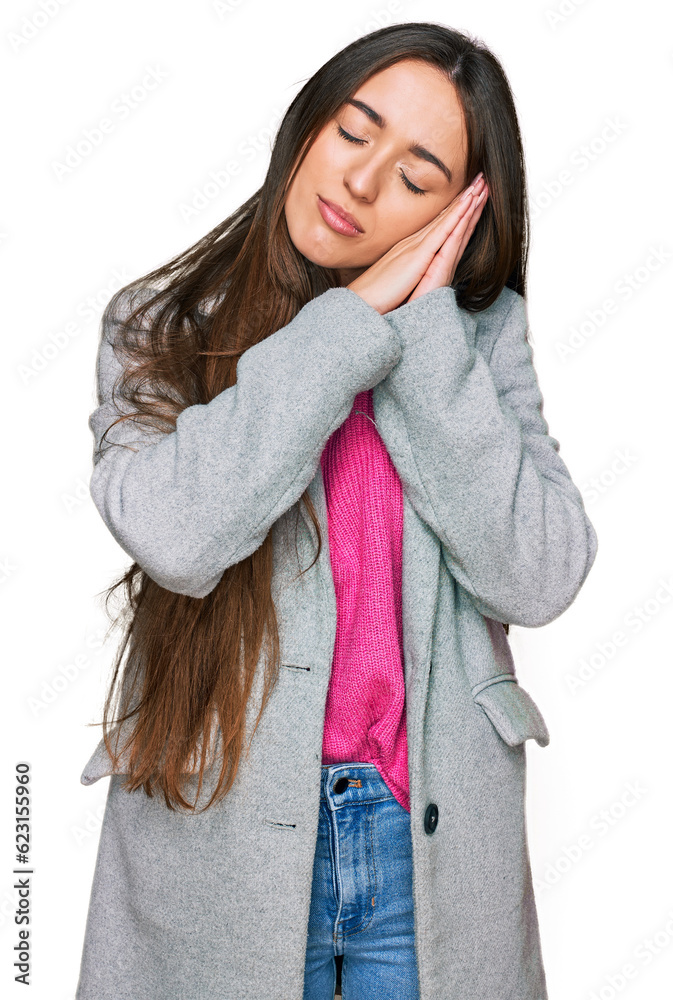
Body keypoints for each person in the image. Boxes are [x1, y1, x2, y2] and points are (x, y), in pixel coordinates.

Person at [75, 21, 598, 1000]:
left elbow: (539, 571)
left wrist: (424, 335)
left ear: (462, 211)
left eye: (415, 174)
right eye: (355, 130)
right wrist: (348, 325)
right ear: (310, 120)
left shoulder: (481, 342)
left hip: (424, 854)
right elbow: (177, 532)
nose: (360, 182)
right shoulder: (162, 324)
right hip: (216, 841)